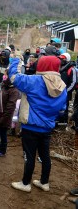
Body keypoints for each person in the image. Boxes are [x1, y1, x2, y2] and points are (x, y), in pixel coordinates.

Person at [9, 56, 67, 192]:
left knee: (29, 156)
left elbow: (13, 77)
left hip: (31, 126)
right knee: (45, 156)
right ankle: (44, 182)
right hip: (47, 127)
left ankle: (25, 183)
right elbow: (62, 109)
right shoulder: (62, 86)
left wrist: (16, 60)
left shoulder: (33, 81)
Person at [0, 70, 19, 157]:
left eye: (6, 75)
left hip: (5, 115)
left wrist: (4, 117)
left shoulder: (14, 90)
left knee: (3, 133)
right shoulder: (2, 85)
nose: (4, 76)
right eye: (5, 75)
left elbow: (11, 106)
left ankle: (2, 150)